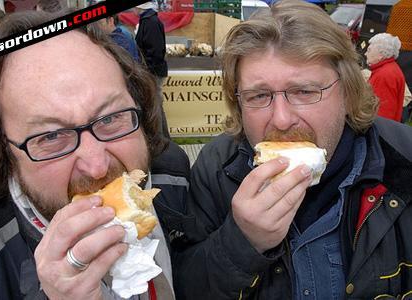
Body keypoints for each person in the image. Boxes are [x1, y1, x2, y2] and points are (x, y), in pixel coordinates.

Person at [172, 1, 412, 299]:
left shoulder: (404, 159)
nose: (282, 120)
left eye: (305, 91)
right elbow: (184, 285)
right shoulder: (216, 168)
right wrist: (240, 242)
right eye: (259, 95)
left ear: (348, 93)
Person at [0, 10, 190, 299]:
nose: (96, 166)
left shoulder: (173, 174)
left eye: (110, 118)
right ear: (5, 151)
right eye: (51, 136)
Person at [134, 2, 170, 138]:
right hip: (152, 70)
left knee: (155, 107)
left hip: (153, 72)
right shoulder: (148, 21)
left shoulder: (150, 22)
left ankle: (161, 139)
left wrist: (147, 71)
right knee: (156, 106)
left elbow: (155, 52)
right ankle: (164, 139)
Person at [365, 33, 406, 122]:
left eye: (369, 50)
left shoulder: (385, 75)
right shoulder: (389, 69)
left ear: (381, 54)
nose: (365, 54)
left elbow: (382, 114)